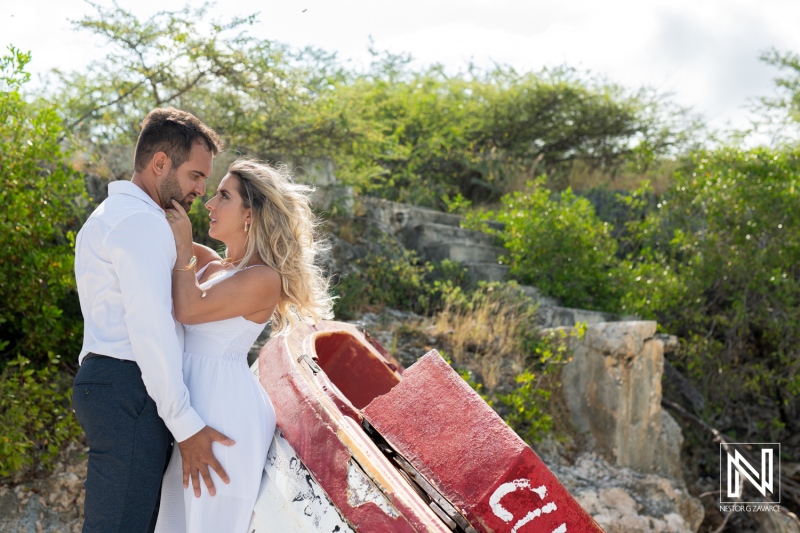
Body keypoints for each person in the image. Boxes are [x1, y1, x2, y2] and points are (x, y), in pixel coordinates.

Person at [72, 107, 234, 533]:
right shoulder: (140, 223)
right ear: (160, 163)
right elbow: (151, 328)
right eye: (196, 176)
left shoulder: (113, 215)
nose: (201, 189)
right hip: (131, 390)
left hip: (115, 384)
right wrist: (185, 424)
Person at [155, 159, 334, 532]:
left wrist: (185, 242)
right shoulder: (210, 264)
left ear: (249, 214)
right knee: (175, 519)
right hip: (193, 413)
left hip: (226, 418)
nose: (209, 204)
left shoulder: (264, 278)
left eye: (223, 196)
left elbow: (187, 308)